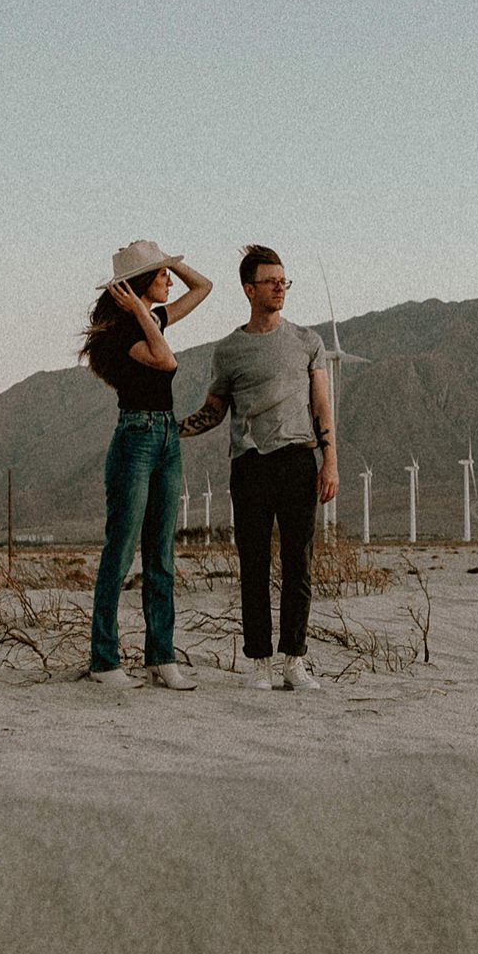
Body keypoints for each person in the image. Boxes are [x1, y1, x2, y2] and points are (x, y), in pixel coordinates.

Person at [178, 245, 336, 690]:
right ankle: (260, 662)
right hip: (249, 465)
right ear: (249, 289)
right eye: (271, 281)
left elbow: (322, 405)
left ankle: (294, 660)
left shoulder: (309, 342)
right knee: (253, 565)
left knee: (298, 565)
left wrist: (331, 462)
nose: (280, 287)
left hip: (299, 459)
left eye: (284, 280)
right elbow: (214, 410)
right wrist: (171, 430)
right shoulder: (229, 350)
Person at [80, 239, 212, 689]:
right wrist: (138, 311)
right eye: (161, 275)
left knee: (161, 554)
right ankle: (104, 661)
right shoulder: (122, 334)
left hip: (166, 436)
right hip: (135, 438)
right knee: (119, 553)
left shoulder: (148, 319)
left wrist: (171, 259)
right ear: (138, 288)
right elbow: (166, 360)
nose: (171, 281)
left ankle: (161, 657)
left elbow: (204, 287)